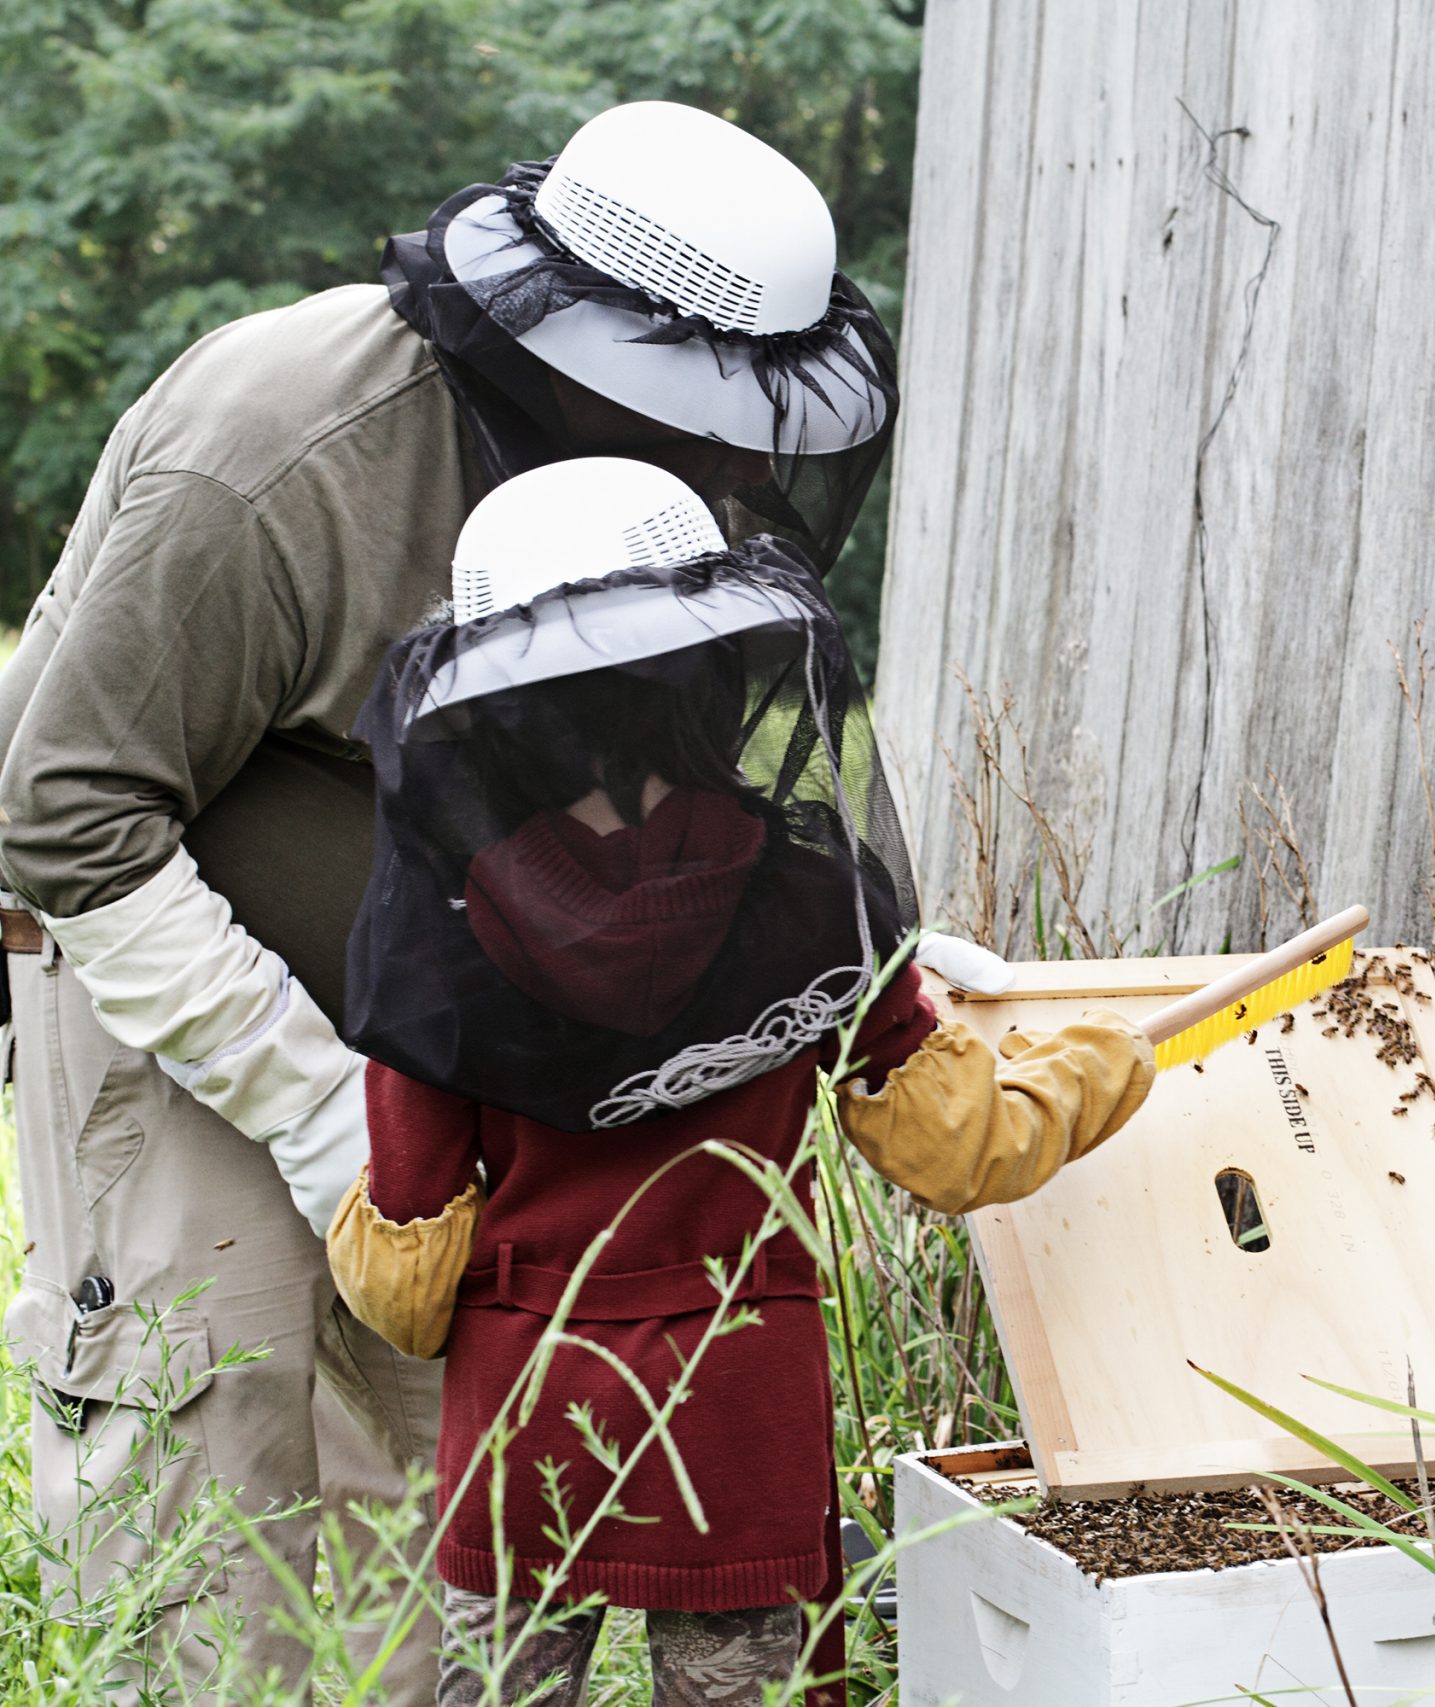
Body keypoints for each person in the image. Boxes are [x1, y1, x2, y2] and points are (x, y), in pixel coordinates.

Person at [0, 100, 1007, 1696]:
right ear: (556, 354)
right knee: (216, 1464)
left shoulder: (695, 489)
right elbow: (60, 812)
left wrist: (869, 952)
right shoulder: (282, 442)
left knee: (440, 1509)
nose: (737, 469)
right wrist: (327, 1111)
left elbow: (777, 772)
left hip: (492, 1035)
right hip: (170, 963)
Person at [323, 459, 1152, 1707]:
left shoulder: (441, 932)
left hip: (526, 1409)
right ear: (717, 660)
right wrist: (1104, 1052)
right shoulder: (808, 890)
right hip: (735, 1407)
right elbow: (959, 1150)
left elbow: (406, 1282)